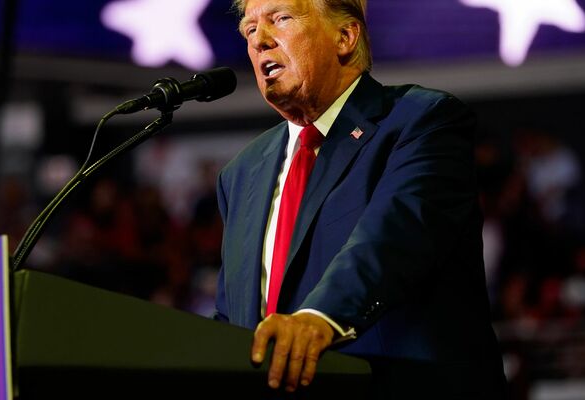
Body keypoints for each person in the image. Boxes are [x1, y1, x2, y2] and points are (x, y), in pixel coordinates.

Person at [214, 0, 507, 397]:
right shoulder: (241, 174)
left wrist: (318, 319)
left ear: (345, 36)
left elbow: (392, 239)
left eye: (280, 19)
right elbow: (232, 316)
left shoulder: (420, 122)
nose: (260, 41)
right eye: (249, 30)